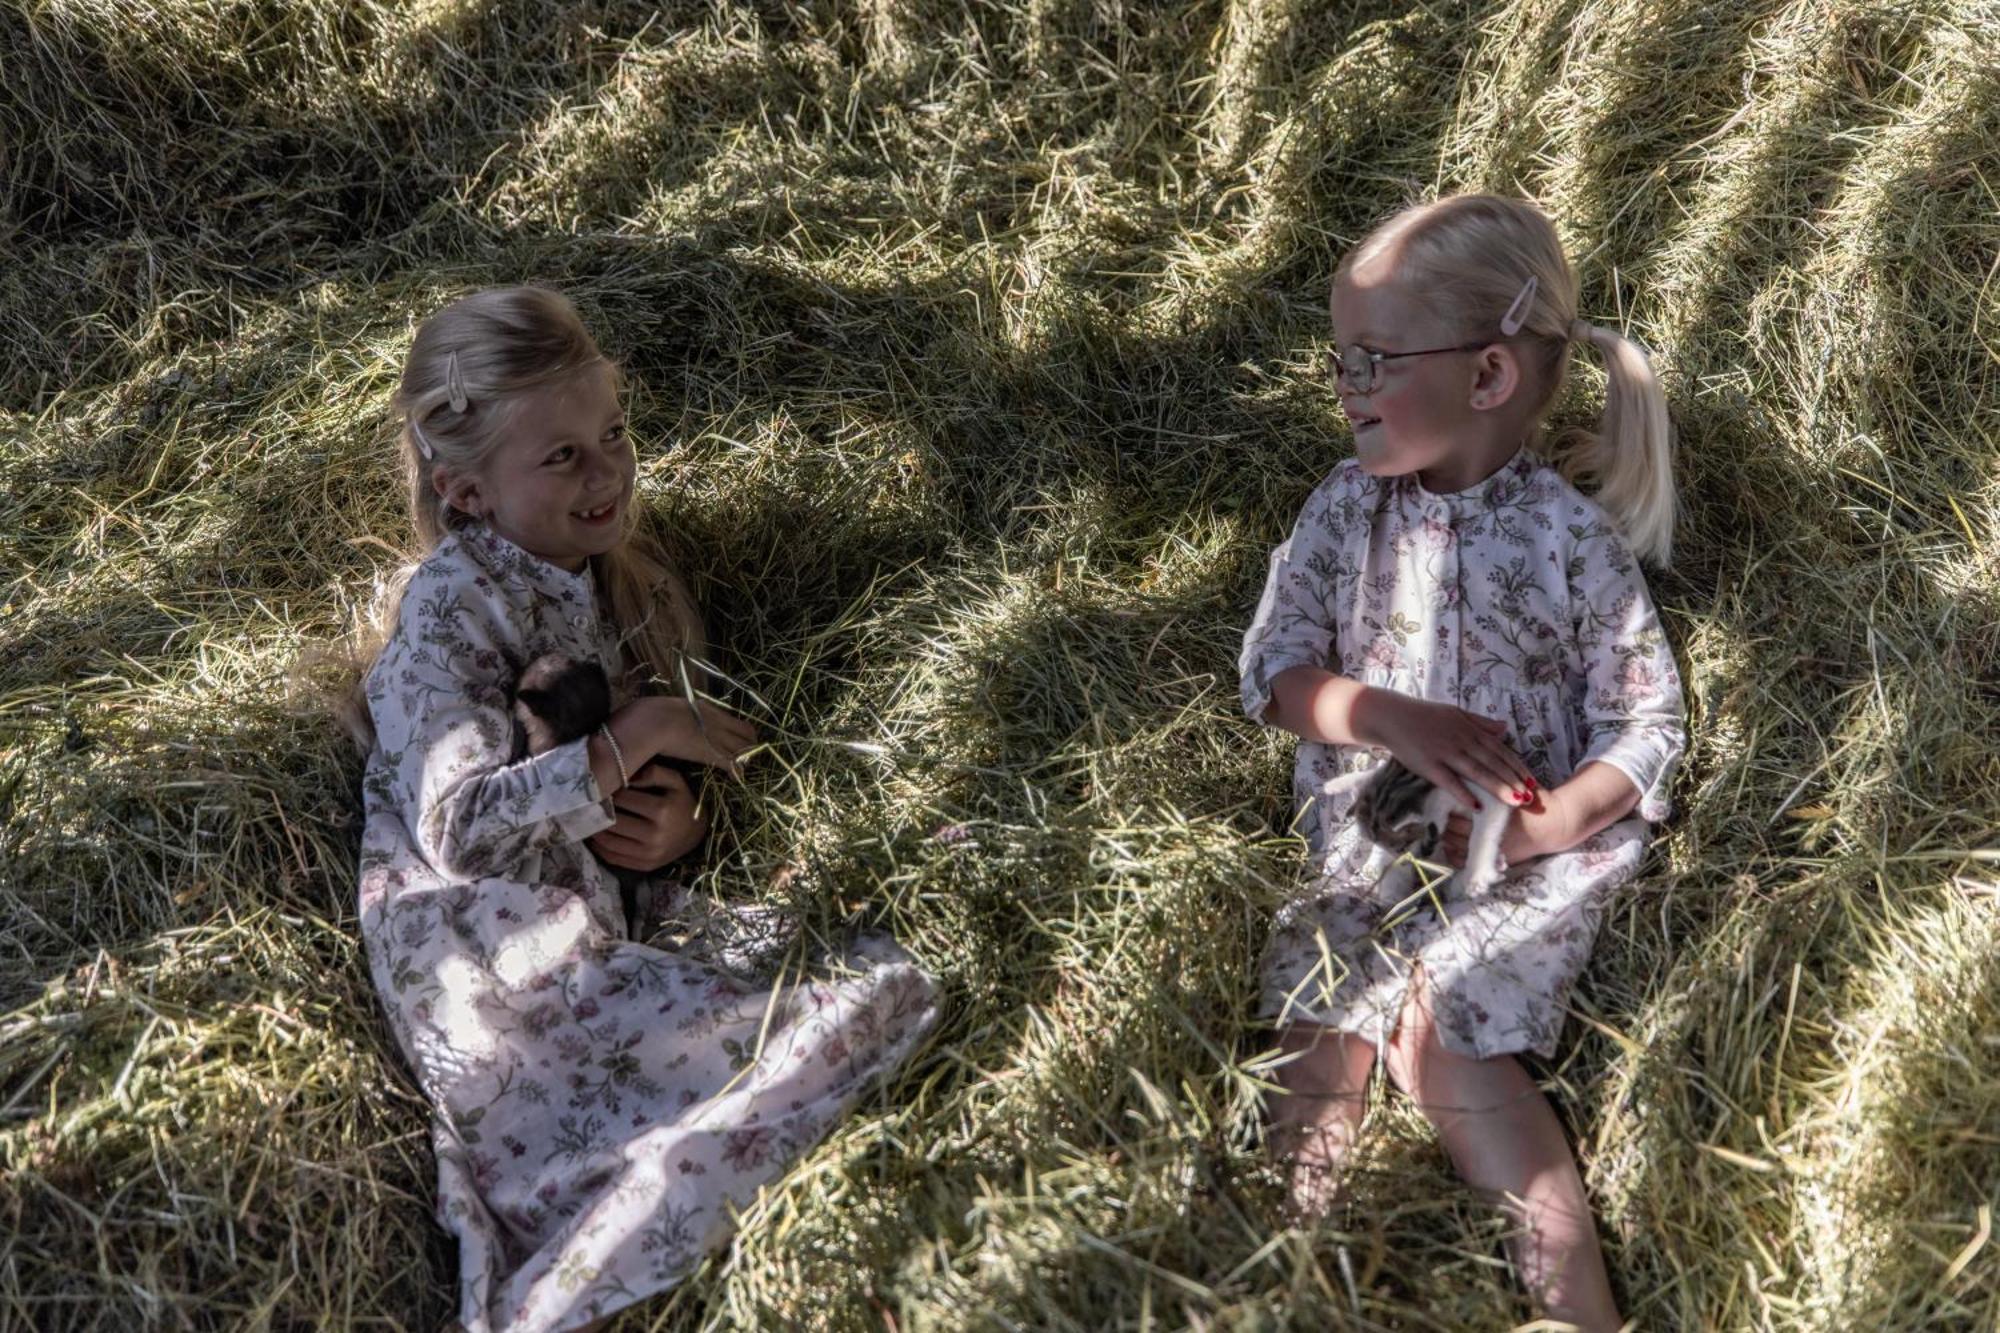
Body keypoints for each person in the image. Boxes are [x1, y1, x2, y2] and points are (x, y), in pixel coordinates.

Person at [349, 286, 937, 1332]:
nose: (608, 470)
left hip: (591, 912)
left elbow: (603, 797)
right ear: (466, 490)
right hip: (495, 961)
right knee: (836, 1020)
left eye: (611, 434)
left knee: (865, 981)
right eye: (562, 456)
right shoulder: (448, 606)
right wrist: (648, 732)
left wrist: (679, 831)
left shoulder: (601, 574)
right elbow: (456, 828)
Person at [1239, 194, 1686, 1331]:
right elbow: (1274, 671)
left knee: (1443, 1037)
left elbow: (1647, 724)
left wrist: (1546, 825)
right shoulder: (1344, 511)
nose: (1343, 385)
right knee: (1318, 1017)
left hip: (1513, 858)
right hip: (1361, 836)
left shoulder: (1569, 542)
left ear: (1486, 377)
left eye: (1372, 359)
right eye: (1339, 356)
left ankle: (1573, 1313)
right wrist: (1384, 716)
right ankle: (1268, 1278)